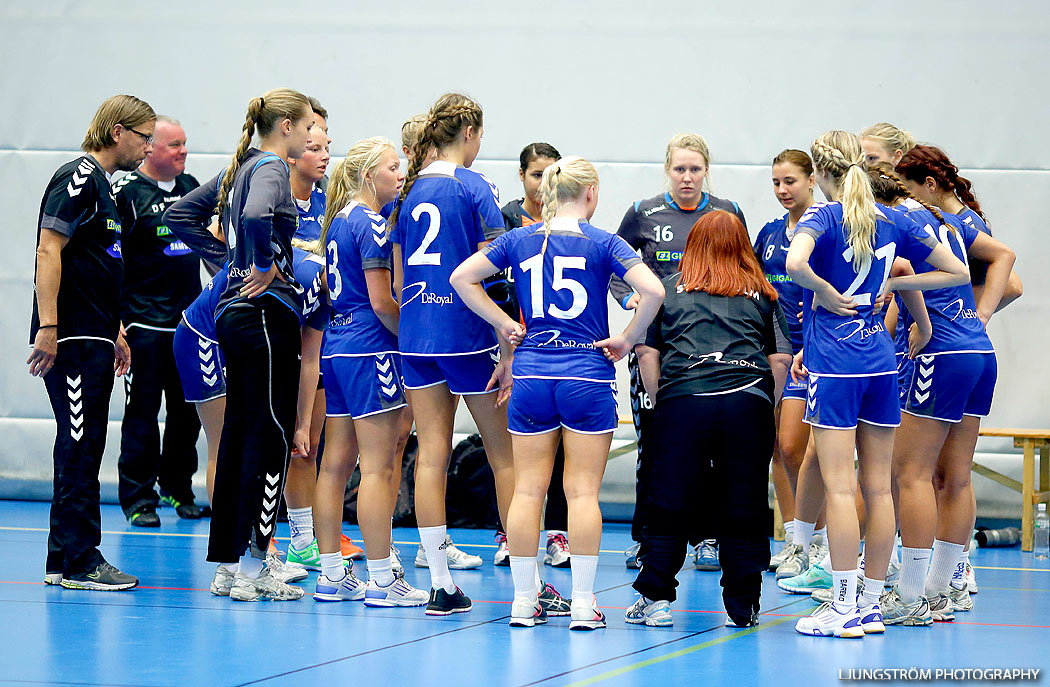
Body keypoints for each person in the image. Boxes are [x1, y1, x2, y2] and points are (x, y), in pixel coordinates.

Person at [451, 155, 663, 629]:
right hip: (586, 373)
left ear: (548, 194)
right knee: (582, 492)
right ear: (591, 193)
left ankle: (524, 601)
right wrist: (628, 338)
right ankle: (585, 605)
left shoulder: (519, 239)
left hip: (532, 373)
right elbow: (654, 291)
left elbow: (461, 278)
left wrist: (505, 324)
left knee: (528, 491)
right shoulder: (605, 242)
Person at [786, 130, 969, 638]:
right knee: (879, 488)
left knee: (841, 486)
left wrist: (824, 292)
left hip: (836, 364)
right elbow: (955, 272)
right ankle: (869, 603)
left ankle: (842, 605)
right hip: (880, 363)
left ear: (822, 173)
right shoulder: (897, 219)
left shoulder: (824, 216)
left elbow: (794, 263)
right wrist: (894, 288)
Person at [164, 88, 314, 601]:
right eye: (311, 126)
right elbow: (252, 217)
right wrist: (262, 265)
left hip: (237, 315)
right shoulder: (271, 167)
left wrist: (228, 259)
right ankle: (258, 560)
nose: (316, 136)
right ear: (288, 126)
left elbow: (181, 214)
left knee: (236, 437)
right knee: (268, 435)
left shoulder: (241, 166)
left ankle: (229, 565)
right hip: (264, 314)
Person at [627, 210, 792, 628]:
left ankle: (656, 598)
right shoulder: (764, 294)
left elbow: (647, 352)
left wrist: (663, 399)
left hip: (685, 399)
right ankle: (744, 603)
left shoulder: (664, 291)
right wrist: (762, 405)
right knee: (746, 497)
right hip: (748, 400)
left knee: (668, 497)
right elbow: (780, 359)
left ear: (693, 244)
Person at [388, 93, 517, 615]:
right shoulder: (475, 186)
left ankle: (439, 582)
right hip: (469, 334)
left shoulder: (406, 190)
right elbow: (502, 264)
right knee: (504, 452)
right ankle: (529, 583)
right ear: (468, 132)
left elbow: (397, 281)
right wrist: (509, 337)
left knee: (431, 454)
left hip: (416, 336)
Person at [28, 94, 155, 590]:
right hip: (73, 341)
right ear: (118, 131)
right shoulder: (77, 177)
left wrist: (116, 329)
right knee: (80, 445)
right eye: (144, 137)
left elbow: (100, 265)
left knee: (83, 443)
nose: (147, 148)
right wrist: (49, 327)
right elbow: (49, 248)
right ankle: (82, 560)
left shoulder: (106, 189)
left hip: (96, 336)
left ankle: (61, 557)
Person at [888, 149, 1020, 618]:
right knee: (953, 476)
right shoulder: (950, 222)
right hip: (979, 354)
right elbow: (1005, 256)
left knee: (912, 474)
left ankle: (908, 598)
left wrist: (914, 326)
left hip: (941, 354)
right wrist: (980, 318)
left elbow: (904, 278)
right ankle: (942, 589)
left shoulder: (900, 223)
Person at [610, 133, 747, 571]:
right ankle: (648, 537)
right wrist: (628, 299)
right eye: (679, 169)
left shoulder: (727, 212)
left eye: (695, 169)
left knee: (710, 444)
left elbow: (746, 268)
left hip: (712, 348)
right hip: (655, 345)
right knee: (653, 440)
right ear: (667, 170)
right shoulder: (643, 213)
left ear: (707, 170)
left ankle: (706, 538)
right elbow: (613, 264)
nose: (687, 178)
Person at [310, 136, 430, 606]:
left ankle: (331, 573)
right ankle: (383, 579)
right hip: (370, 349)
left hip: (337, 347)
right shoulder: (373, 225)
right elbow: (382, 301)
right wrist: (414, 340)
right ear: (367, 176)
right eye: (392, 167)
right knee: (378, 468)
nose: (400, 174)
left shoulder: (338, 220)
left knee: (334, 464)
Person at [112, 115, 203, 527]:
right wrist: (118, 321)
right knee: (142, 413)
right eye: (174, 145)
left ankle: (177, 487)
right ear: (150, 149)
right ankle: (137, 496)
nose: (183, 151)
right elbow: (110, 257)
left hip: (187, 321)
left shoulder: (191, 187)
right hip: (144, 324)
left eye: (184, 144)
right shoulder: (126, 193)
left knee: (188, 413)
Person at [491, 142, 572, 570]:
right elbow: (485, 284)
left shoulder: (570, 221)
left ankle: (557, 533)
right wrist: (504, 340)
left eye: (551, 175)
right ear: (521, 176)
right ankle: (510, 531)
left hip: (554, 348)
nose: (543, 185)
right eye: (535, 175)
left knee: (558, 444)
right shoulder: (505, 222)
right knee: (509, 446)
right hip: (509, 345)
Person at [752, 150, 829, 577]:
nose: (783, 190)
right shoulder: (768, 233)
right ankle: (795, 539)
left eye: (791, 182)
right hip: (780, 351)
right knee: (781, 449)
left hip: (821, 351)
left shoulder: (826, 227)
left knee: (812, 452)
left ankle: (820, 542)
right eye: (776, 182)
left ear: (812, 180)